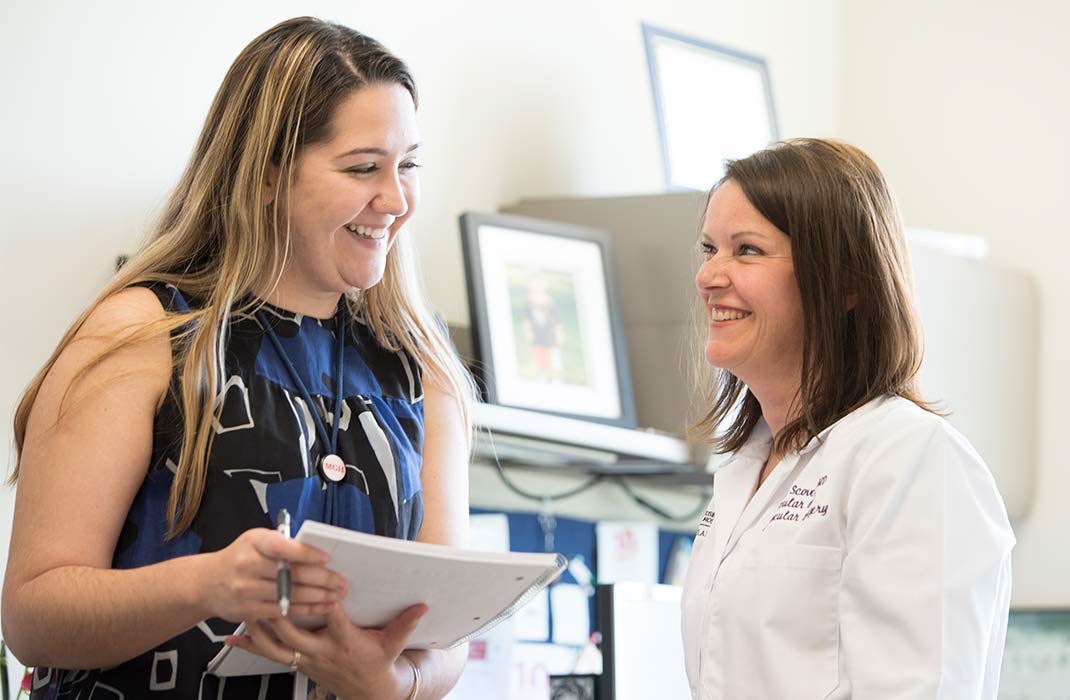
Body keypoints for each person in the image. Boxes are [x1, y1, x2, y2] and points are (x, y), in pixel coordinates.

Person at [2, 17, 474, 700]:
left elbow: (445, 630)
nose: (396, 200)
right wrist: (207, 583)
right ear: (265, 177)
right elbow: (34, 616)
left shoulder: (421, 366)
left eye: (408, 167)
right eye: (363, 168)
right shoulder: (142, 335)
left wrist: (396, 682)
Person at [681, 139, 1015, 699]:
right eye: (709, 248)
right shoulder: (744, 469)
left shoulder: (911, 459)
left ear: (846, 285)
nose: (710, 276)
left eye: (747, 251)